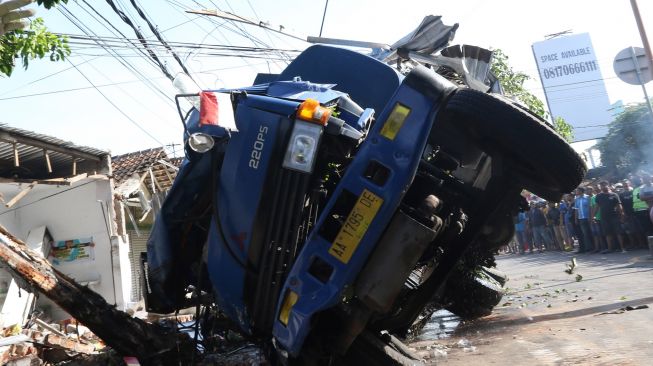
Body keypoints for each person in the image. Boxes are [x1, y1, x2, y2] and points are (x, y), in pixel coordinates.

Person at [594, 181, 626, 253]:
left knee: (619, 232)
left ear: (608, 185)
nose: (603, 187)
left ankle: (622, 248)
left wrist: (622, 214)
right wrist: (593, 216)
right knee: (607, 233)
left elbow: (619, 205)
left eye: (604, 185)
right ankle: (610, 249)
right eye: (601, 186)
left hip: (614, 216)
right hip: (604, 217)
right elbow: (596, 206)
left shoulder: (614, 194)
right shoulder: (599, 196)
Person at [616, 180, 647, 249]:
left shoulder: (634, 191)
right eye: (624, 184)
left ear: (629, 184)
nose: (625, 185)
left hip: (637, 212)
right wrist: (623, 213)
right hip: (628, 214)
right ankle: (637, 244)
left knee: (641, 229)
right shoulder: (621, 194)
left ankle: (644, 243)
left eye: (626, 184)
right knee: (633, 230)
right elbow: (621, 205)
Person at [574, 187, 593, 253]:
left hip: (588, 217)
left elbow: (590, 208)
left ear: (581, 191)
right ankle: (588, 248)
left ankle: (594, 247)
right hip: (581, 218)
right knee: (585, 234)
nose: (576, 192)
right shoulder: (576, 199)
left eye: (577, 190)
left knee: (591, 232)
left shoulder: (587, 197)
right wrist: (576, 219)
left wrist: (590, 217)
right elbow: (576, 209)